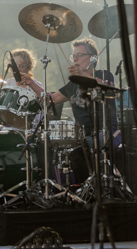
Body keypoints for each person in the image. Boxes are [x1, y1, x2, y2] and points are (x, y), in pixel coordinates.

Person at [48, 38, 120, 181]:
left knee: (88, 148)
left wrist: (82, 74)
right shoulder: (72, 84)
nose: (75, 59)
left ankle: (100, 186)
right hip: (82, 136)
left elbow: (107, 87)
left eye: (79, 55)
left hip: (105, 132)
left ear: (92, 58)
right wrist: (30, 83)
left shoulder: (103, 74)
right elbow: (52, 99)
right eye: (73, 56)